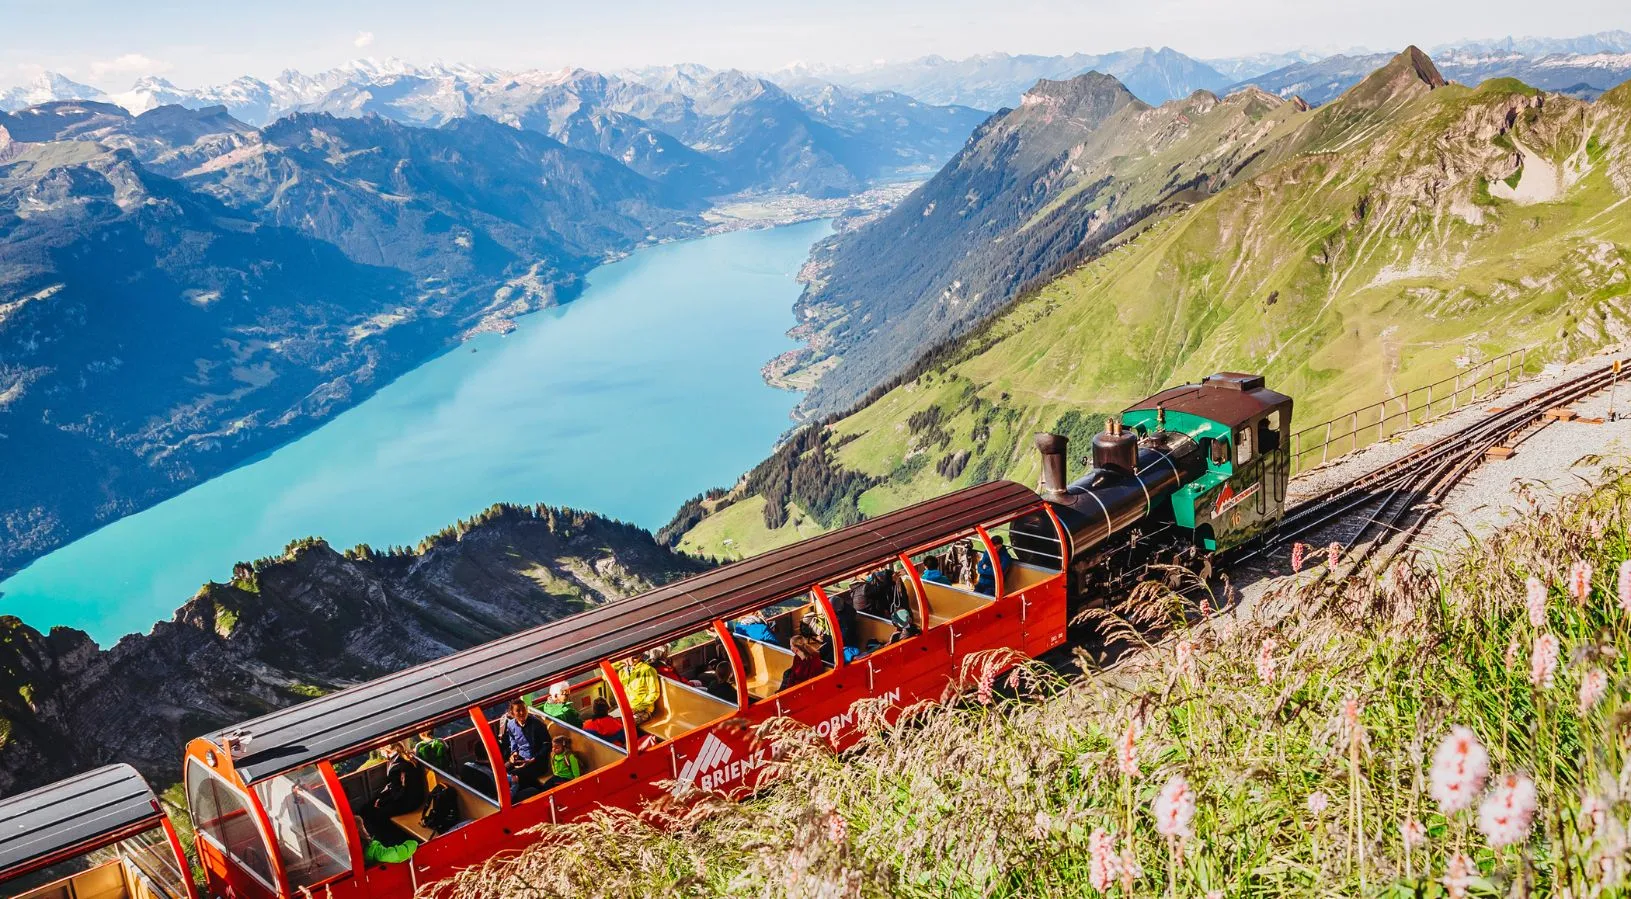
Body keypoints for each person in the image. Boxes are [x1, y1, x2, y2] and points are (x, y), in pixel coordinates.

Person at [364, 741, 427, 836]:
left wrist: (383, 801)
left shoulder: (400, 765)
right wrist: (381, 797)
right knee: (368, 807)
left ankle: (386, 837)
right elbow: (393, 786)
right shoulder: (399, 760)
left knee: (377, 814)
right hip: (407, 796)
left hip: (410, 801)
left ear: (386, 750)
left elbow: (402, 791)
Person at [495, 698, 550, 801]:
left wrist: (534, 759)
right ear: (512, 713)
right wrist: (514, 753)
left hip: (537, 762)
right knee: (501, 772)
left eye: (523, 709)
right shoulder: (511, 724)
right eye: (518, 710)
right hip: (521, 758)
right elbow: (513, 741)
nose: (522, 713)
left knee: (513, 776)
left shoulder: (537, 724)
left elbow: (547, 745)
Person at [619, 655, 661, 724]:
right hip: (628, 710)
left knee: (623, 727)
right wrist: (619, 662)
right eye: (629, 656)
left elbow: (654, 693)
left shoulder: (647, 670)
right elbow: (605, 677)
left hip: (643, 711)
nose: (631, 659)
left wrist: (638, 709)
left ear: (640, 656)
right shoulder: (622, 672)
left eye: (635, 657)